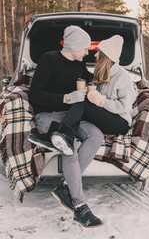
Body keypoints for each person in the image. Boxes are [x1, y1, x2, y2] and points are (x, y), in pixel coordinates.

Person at [28, 25, 104, 228]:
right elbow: (34, 95)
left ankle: (65, 188)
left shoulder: (79, 65)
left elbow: (92, 81)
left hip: (72, 116)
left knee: (96, 135)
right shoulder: (48, 59)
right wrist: (66, 97)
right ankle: (80, 207)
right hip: (47, 116)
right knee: (68, 147)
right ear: (74, 46)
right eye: (85, 48)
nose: (88, 52)